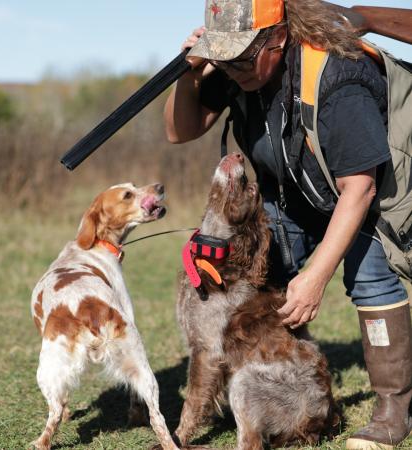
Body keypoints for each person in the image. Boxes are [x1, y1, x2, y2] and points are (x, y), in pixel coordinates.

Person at [163, 0, 411, 448]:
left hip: (365, 197)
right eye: (224, 55)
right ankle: (270, 394)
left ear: (277, 37)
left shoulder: (338, 75)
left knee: (370, 280)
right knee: (264, 287)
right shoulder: (242, 66)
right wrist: (190, 72)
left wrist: (315, 277)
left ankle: (395, 408)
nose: (231, 67)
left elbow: (359, 190)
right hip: (292, 199)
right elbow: (181, 129)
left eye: (240, 55)